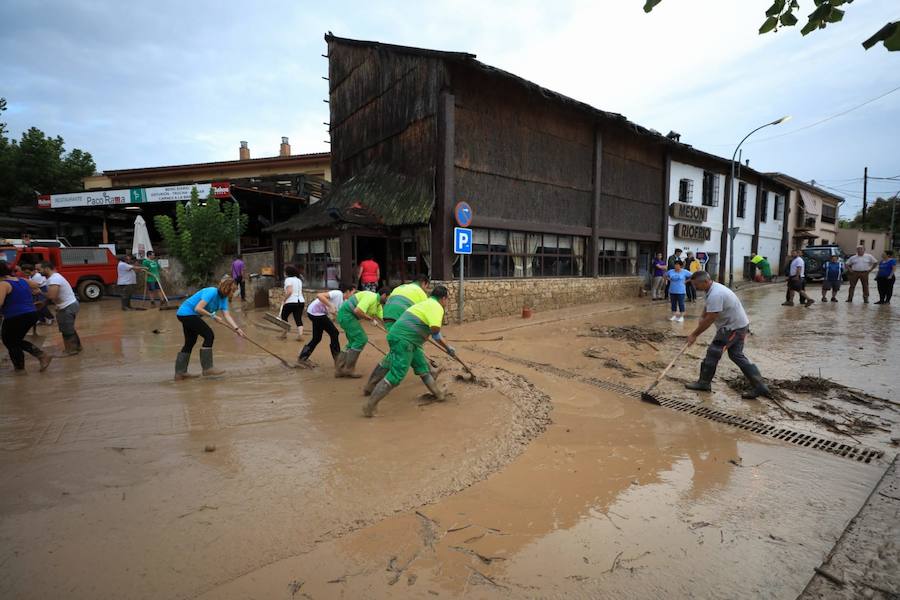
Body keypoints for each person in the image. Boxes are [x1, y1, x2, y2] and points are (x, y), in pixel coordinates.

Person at [363, 286, 455, 417]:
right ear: (444, 298)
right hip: (403, 341)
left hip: (410, 341)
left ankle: (439, 394)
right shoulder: (436, 307)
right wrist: (448, 348)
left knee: (423, 368)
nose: (446, 302)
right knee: (396, 376)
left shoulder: (425, 303)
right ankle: (369, 406)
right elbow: (435, 333)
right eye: (447, 300)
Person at [684, 271, 772, 400]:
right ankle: (760, 386)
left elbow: (711, 318)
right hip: (739, 325)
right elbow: (708, 308)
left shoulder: (716, 293)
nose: (695, 287)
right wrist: (702, 315)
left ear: (705, 282)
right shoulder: (712, 289)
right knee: (736, 355)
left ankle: (703, 383)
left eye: (696, 284)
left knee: (713, 353)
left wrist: (694, 334)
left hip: (732, 328)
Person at [363, 274, 430, 395]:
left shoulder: (401, 287)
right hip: (401, 320)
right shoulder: (421, 293)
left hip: (388, 317)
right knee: (400, 351)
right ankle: (371, 387)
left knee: (402, 349)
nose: (426, 289)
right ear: (424, 283)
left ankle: (428, 372)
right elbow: (424, 316)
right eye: (427, 286)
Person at [174, 278, 245, 380]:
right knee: (209, 335)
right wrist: (213, 316)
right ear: (227, 288)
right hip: (186, 313)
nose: (233, 293)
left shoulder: (223, 299)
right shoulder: (212, 292)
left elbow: (227, 315)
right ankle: (207, 368)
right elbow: (198, 308)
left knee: (190, 342)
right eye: (232, 291)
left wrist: (237, 329)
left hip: (189, 315)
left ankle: (180, 373)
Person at [0, 261, 52, 374]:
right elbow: (36, 285)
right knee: (14, 341)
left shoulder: (3, 284)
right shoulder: (21, 280)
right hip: (31, 314)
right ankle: (40, 356)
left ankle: (21, 369)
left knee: (10, 341)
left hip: (16, 316)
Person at [334, 287, 388, 378]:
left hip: (348, 317)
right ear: (384, 295)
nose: (389, 300)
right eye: (389, 298)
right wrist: (370, 319)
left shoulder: (378, 305)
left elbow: (383, 319)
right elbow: (358, 311)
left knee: (352, 342)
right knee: (361, 339)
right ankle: (349, 369)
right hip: (346, 316)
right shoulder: (371, 297)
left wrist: (391, 330)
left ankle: (339, 369)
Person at [298, 284, 356, 362]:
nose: (353, 296)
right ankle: (338, 360)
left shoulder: (343, 302)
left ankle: (302, 358)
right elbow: (319, 295)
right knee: (334, 333)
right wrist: (330, 305)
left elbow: (336, 316)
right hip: (315, 313)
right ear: (348, 291)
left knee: (317, 338)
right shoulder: (338, 293)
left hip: (317, 314)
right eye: (353, 293)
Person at [39, 261, 82, 355]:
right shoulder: (53, 278)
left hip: (67, 306)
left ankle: (71, 350)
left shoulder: (54, 279)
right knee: (69, 328)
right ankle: (77, 347)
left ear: (46, 268)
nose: (39, 271)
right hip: (68, 305)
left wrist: (40, 292)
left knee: (66, 330)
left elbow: (52, 296)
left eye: (40, 269)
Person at [280, 265, 305, 340]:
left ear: (287, 273)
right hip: (301, 302)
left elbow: (290, 291)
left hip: (291, 301)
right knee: (298, 318)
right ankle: (300, 335)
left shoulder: (288, 280)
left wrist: (284, 299)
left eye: (285, 272)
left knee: (283, 316)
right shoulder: (299, 280)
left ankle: (284, 333)